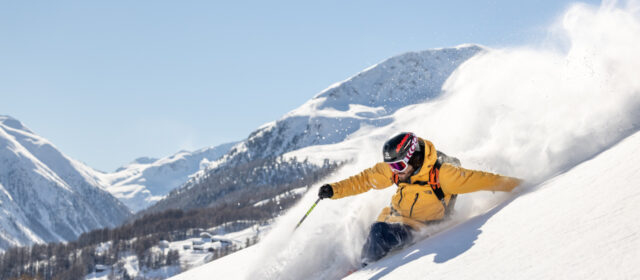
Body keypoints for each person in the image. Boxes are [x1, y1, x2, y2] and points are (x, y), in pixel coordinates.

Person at [318, 132, 522, 267]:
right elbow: (363, 180)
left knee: (378, 233)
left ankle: (365, 270)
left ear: (413, 157)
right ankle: (363, 262)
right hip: (392, 220)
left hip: (418, 227)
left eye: (397, 166)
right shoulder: (398, 171)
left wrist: (523, 184)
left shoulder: (444, 175)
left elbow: (485, 180)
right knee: (368, 228)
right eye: (390, 166)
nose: (393, 172)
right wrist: (334, 190)